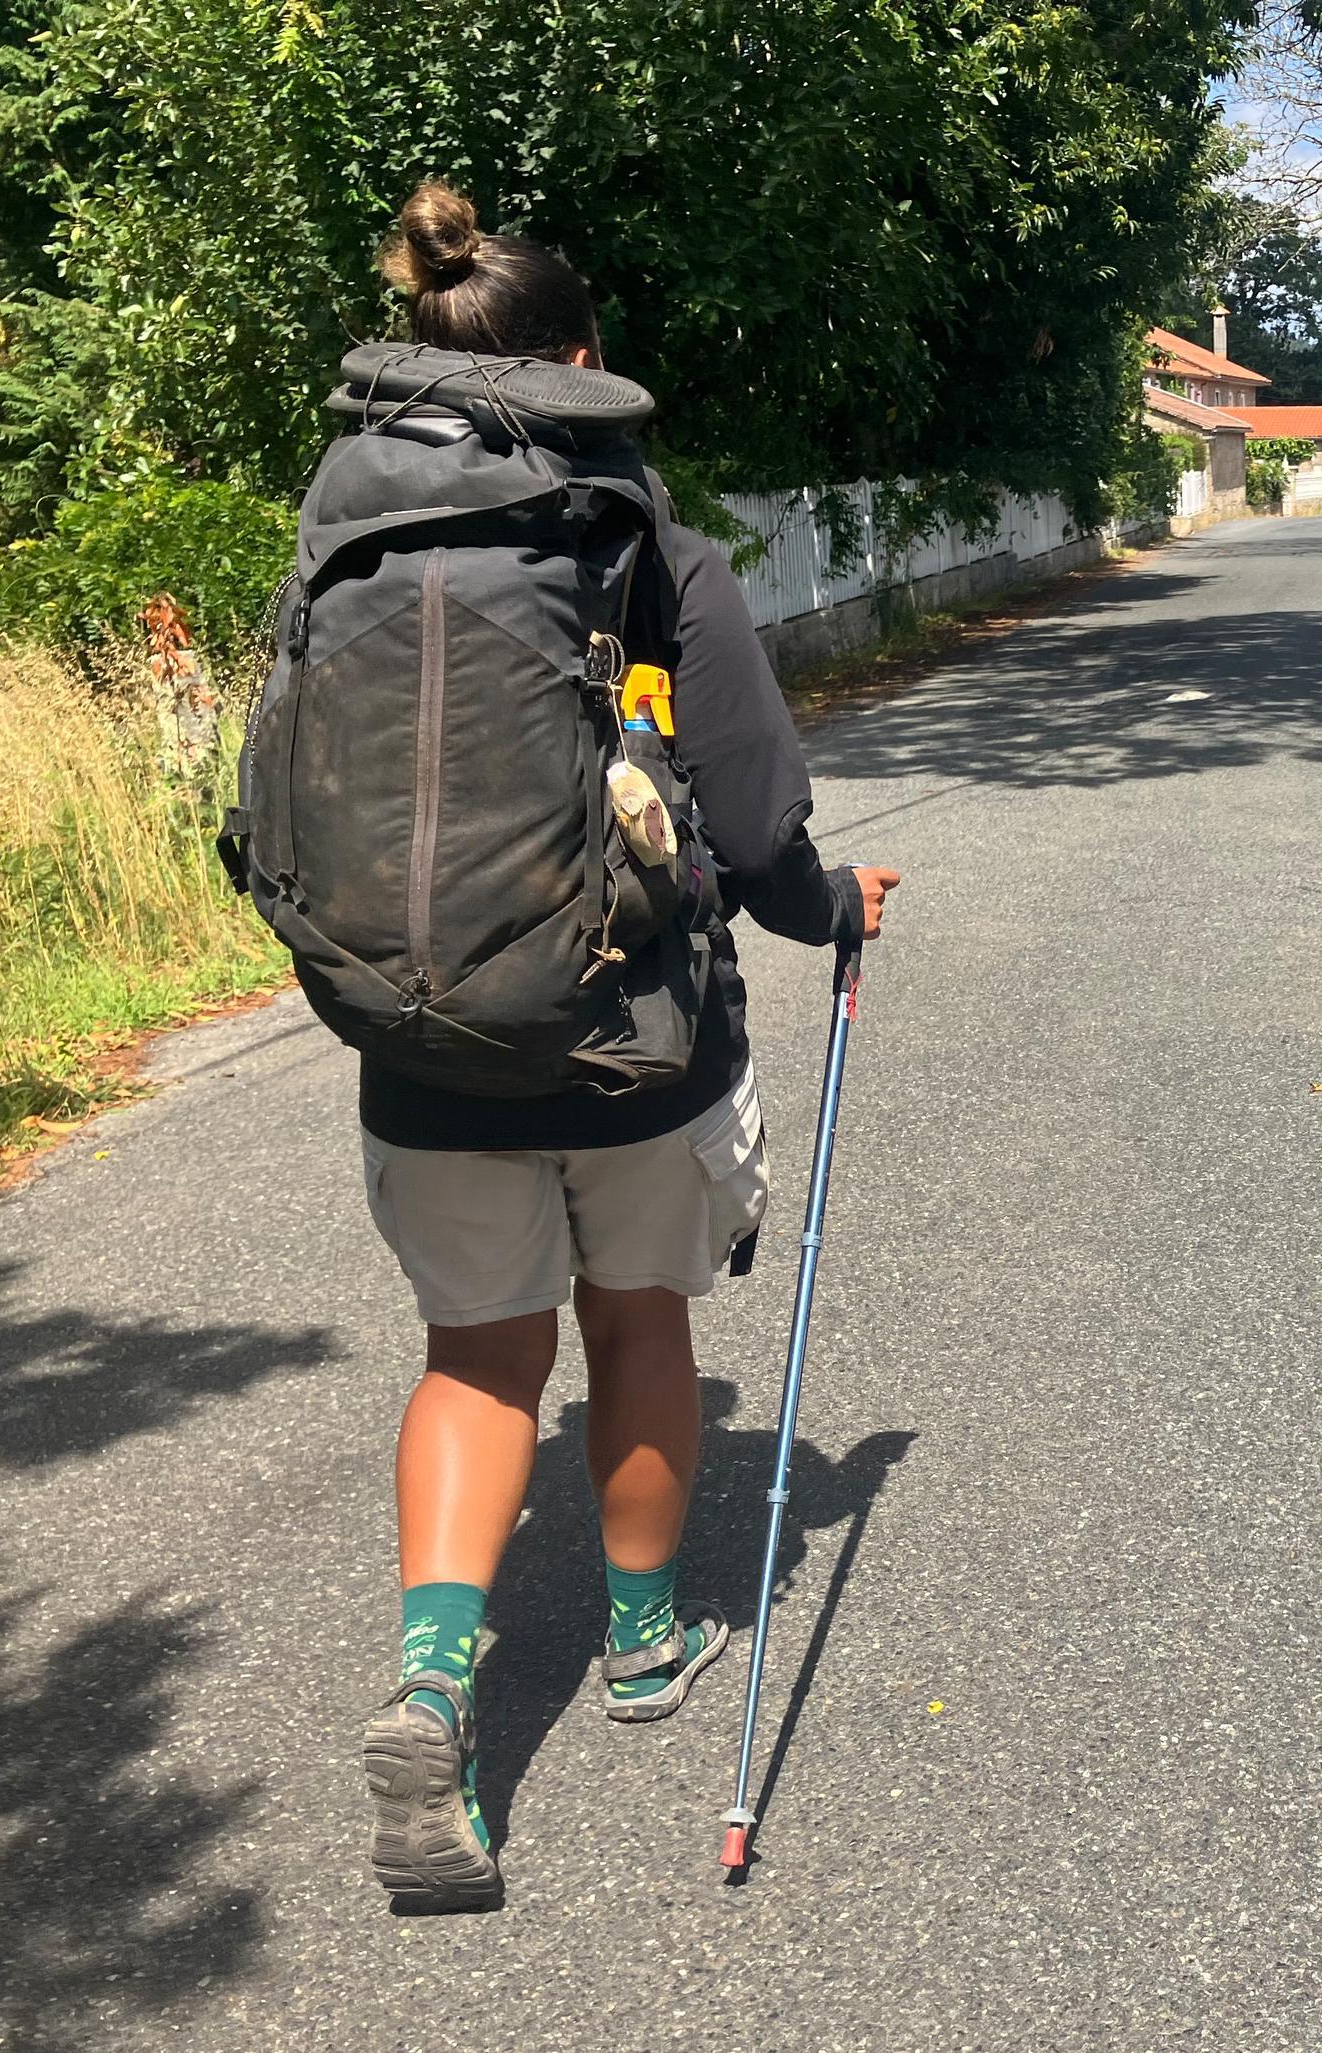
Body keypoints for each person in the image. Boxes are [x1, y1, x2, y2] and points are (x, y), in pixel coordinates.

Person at [352, 185, 899, 1909]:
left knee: (474, 1355)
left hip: (421, 1035)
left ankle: (435, 1683)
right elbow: (748, 818)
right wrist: (838, 912)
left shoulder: (346, 530)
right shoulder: (642, 535)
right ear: (584, 361)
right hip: (632, 1041)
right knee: (636, 1321)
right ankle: (647, 1642)